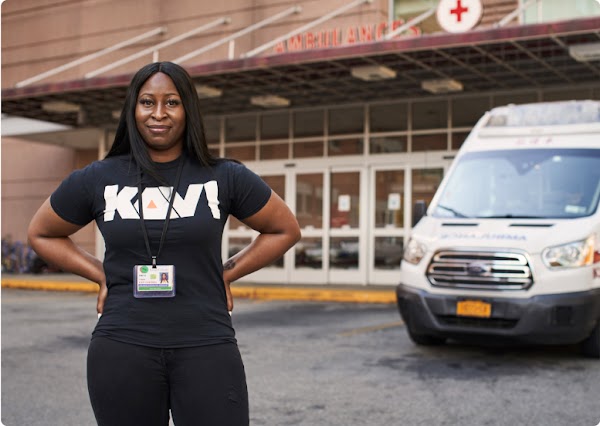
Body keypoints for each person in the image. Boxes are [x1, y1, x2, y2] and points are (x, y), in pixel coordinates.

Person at [27, 61, 301, 426]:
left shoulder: (223, 177)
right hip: (122, 345)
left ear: (188, 109)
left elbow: (285, 229)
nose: (158, 114)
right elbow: (42, 232)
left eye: (171, 102)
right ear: (133, 110)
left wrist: (225, 274)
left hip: (206, 343)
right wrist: (101, 274)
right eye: (147, 102)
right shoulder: (100, 177)